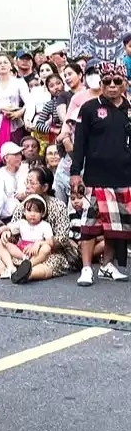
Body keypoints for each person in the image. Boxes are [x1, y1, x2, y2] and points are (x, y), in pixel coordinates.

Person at [70, 61, 131, 285]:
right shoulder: (89, 108)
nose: (112, 86)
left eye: (117, 81)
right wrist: (76, 172)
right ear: (101, 83)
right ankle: (86, 268)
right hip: (96, 175)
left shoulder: (129, 108)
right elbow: (80, 143)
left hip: (124, 175)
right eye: (107, 81)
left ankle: (107, 265)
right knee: (90, 226)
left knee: (116, 227)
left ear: (125, 83)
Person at [0, 167, 77, 284]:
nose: (27, 186)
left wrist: (41, 244)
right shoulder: (23, 205)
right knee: (4, 250)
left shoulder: (58, 206)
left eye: (32, 183)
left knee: (47, 263)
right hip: (23, 250)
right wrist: (8, 234)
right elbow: (14, 228)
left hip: (49, 252)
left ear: (45, 187)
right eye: (27, 182)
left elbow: (62, 238)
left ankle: (27, 273)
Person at [0, 54, 30, 164]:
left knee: (15, 153)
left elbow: (29, 102)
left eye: (5, 62)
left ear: (11, 65)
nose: (2, 65)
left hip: (14, 122)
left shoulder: (19, 82)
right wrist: (1, 108)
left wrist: (20, 112)